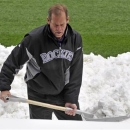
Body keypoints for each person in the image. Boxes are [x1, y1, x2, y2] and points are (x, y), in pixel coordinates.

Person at [0, 4, 83, 120]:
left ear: (68, 20)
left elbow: (75, 72)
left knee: (75, 126)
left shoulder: (75, 39)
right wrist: (4, 87)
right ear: (48, 20)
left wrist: (71, 99)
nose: (59, 29)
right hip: (38, 94)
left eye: (62, 25)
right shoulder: (34, 39)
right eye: (55, 25)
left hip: (62, 92)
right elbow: (12, 62)